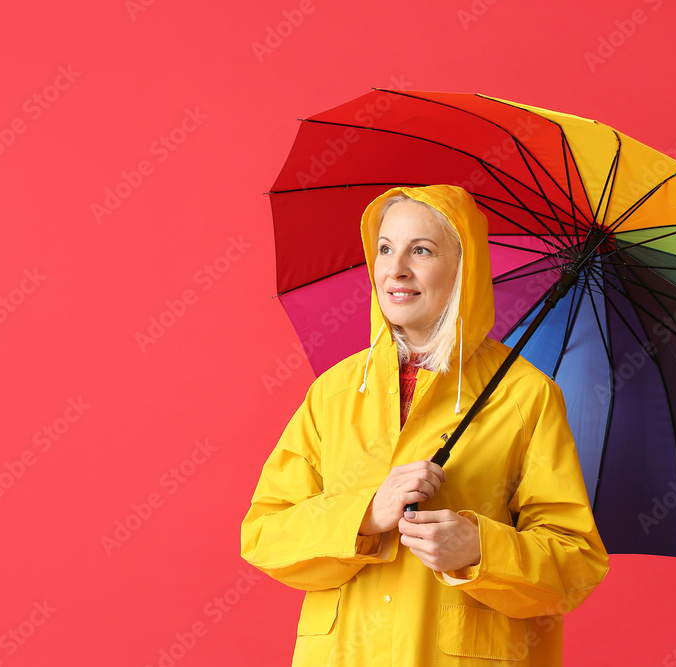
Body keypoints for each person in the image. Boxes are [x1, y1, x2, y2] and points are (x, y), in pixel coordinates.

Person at [241, 184, 608, 666]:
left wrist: (478, 548)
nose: (396, 269)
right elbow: (264, 534)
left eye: (422, 250)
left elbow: (574, 564)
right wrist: (366, 516)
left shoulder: (525, 396)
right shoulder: (333, 394)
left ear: (464, 267)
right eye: (386, 249)